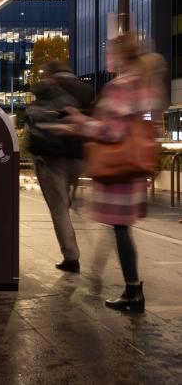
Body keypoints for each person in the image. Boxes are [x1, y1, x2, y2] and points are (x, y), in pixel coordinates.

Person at [56, 33, 167, 312]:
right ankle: (132, 288)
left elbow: (112, 131)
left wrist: (80, 122)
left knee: (119, 228)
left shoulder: (121, 86)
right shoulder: (142, 85)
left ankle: (133, 290)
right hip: (133, 166)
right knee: (121, 228)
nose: (108, 56)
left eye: (111, 51)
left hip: (117, 168)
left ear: (119, 55)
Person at [26, 61, 93, 273]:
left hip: (51, 158)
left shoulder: (47, 91)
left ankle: (71, 257)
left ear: (50, 74)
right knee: (65, 197)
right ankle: (70, 194)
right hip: (78, 157)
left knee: (59, 208)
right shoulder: (85, 89)